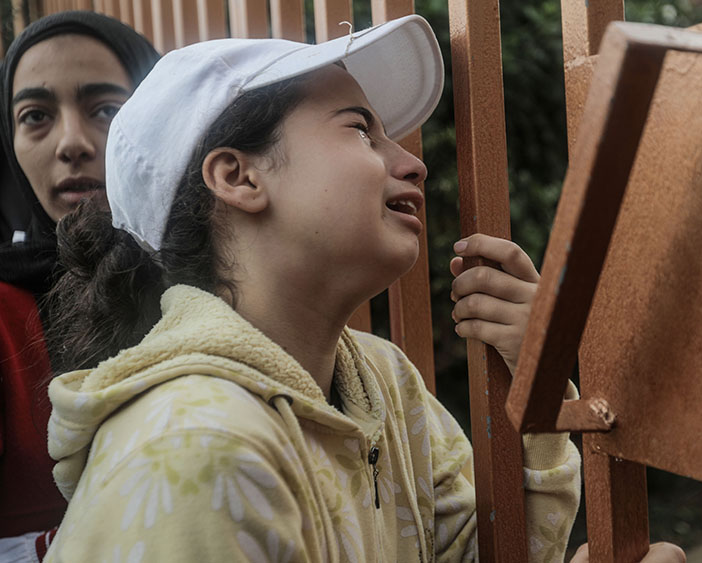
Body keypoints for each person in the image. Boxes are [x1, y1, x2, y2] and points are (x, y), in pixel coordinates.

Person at [40, 15, 583, 562]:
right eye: (360, 130)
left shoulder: (384, 382)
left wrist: (536, 379)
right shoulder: (196, 440)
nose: (414, 164)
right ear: (237, 177)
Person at [0, 11, 159, 562]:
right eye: (35, 116)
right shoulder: (3, 316)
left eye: (107, 109)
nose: (72, 143)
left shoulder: (235, 285)